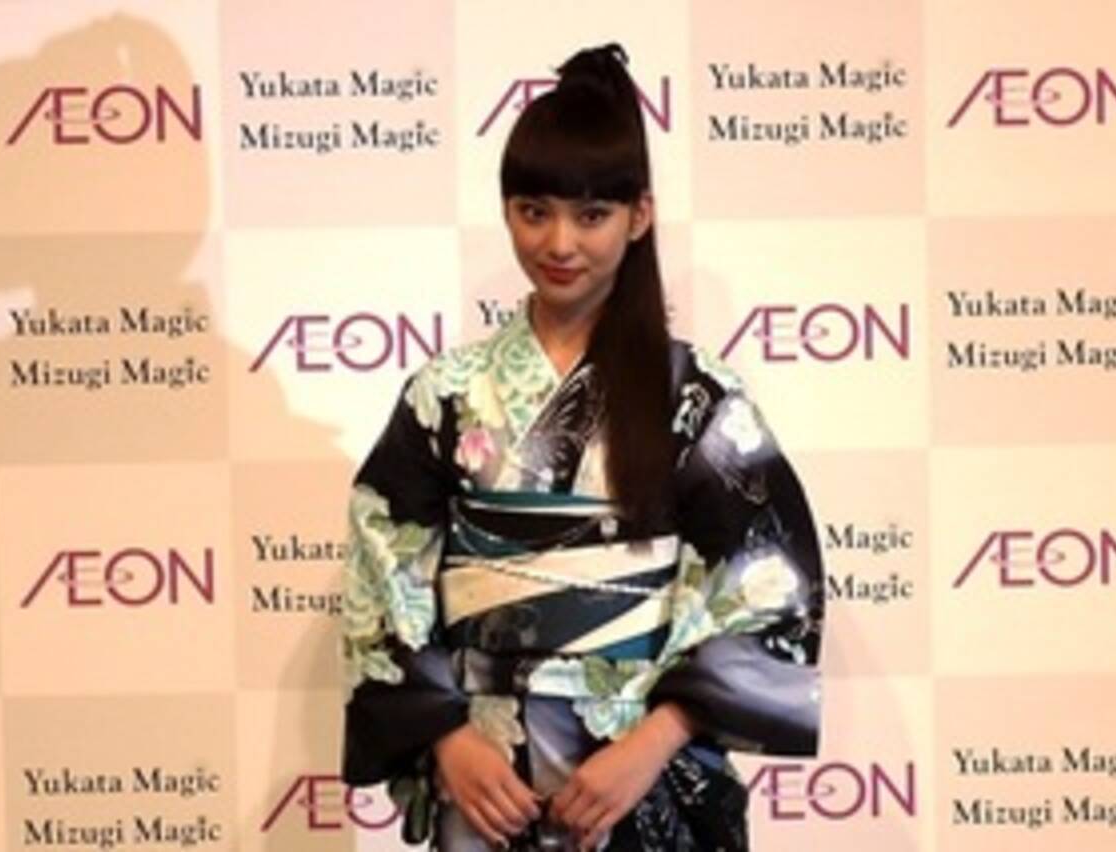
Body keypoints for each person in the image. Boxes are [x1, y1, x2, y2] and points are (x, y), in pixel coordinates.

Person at [340, 43, 825, 852]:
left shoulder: (697, 397)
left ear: (639, 216)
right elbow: (383, 569)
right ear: (506, 212)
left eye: (591, 215)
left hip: (639, 768)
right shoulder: (447, 394)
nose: (560, 242)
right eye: (534, 211)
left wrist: (656, 739)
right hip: (488, 776)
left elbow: (769, 577)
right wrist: (446, 737)